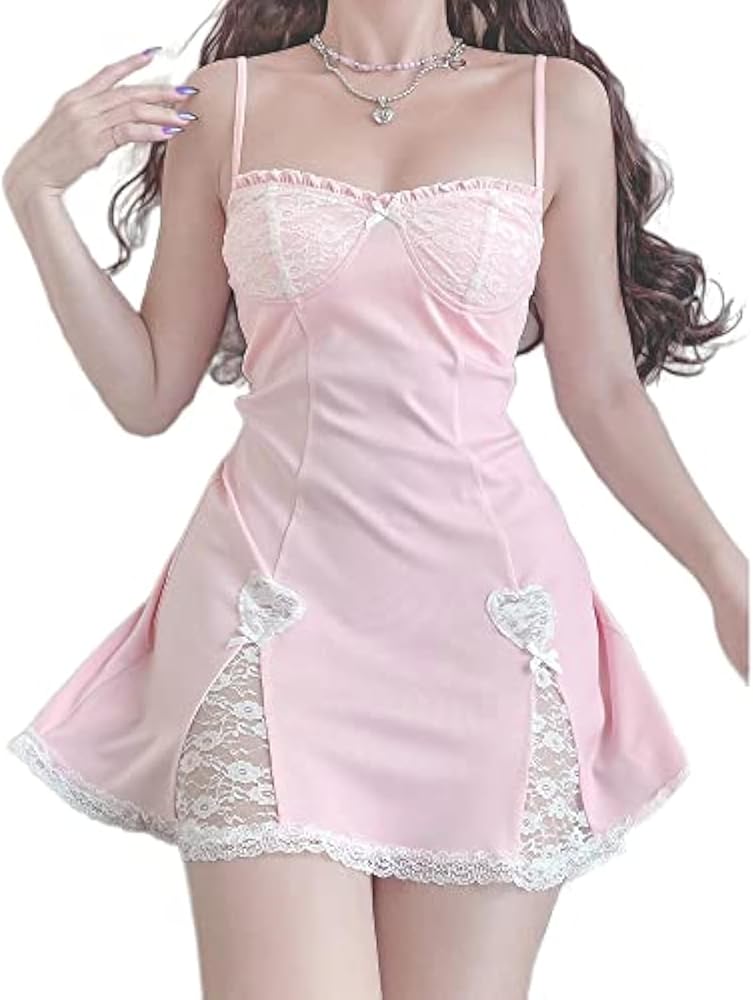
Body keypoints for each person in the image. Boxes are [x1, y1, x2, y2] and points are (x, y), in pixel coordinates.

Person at [3, 1, 747, 997]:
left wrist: (726, 576)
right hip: (269, 620)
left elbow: (603, 393)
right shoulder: (227, 105)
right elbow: (146, 392)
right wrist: (35, 195)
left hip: (490, 628)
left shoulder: (553, 103)